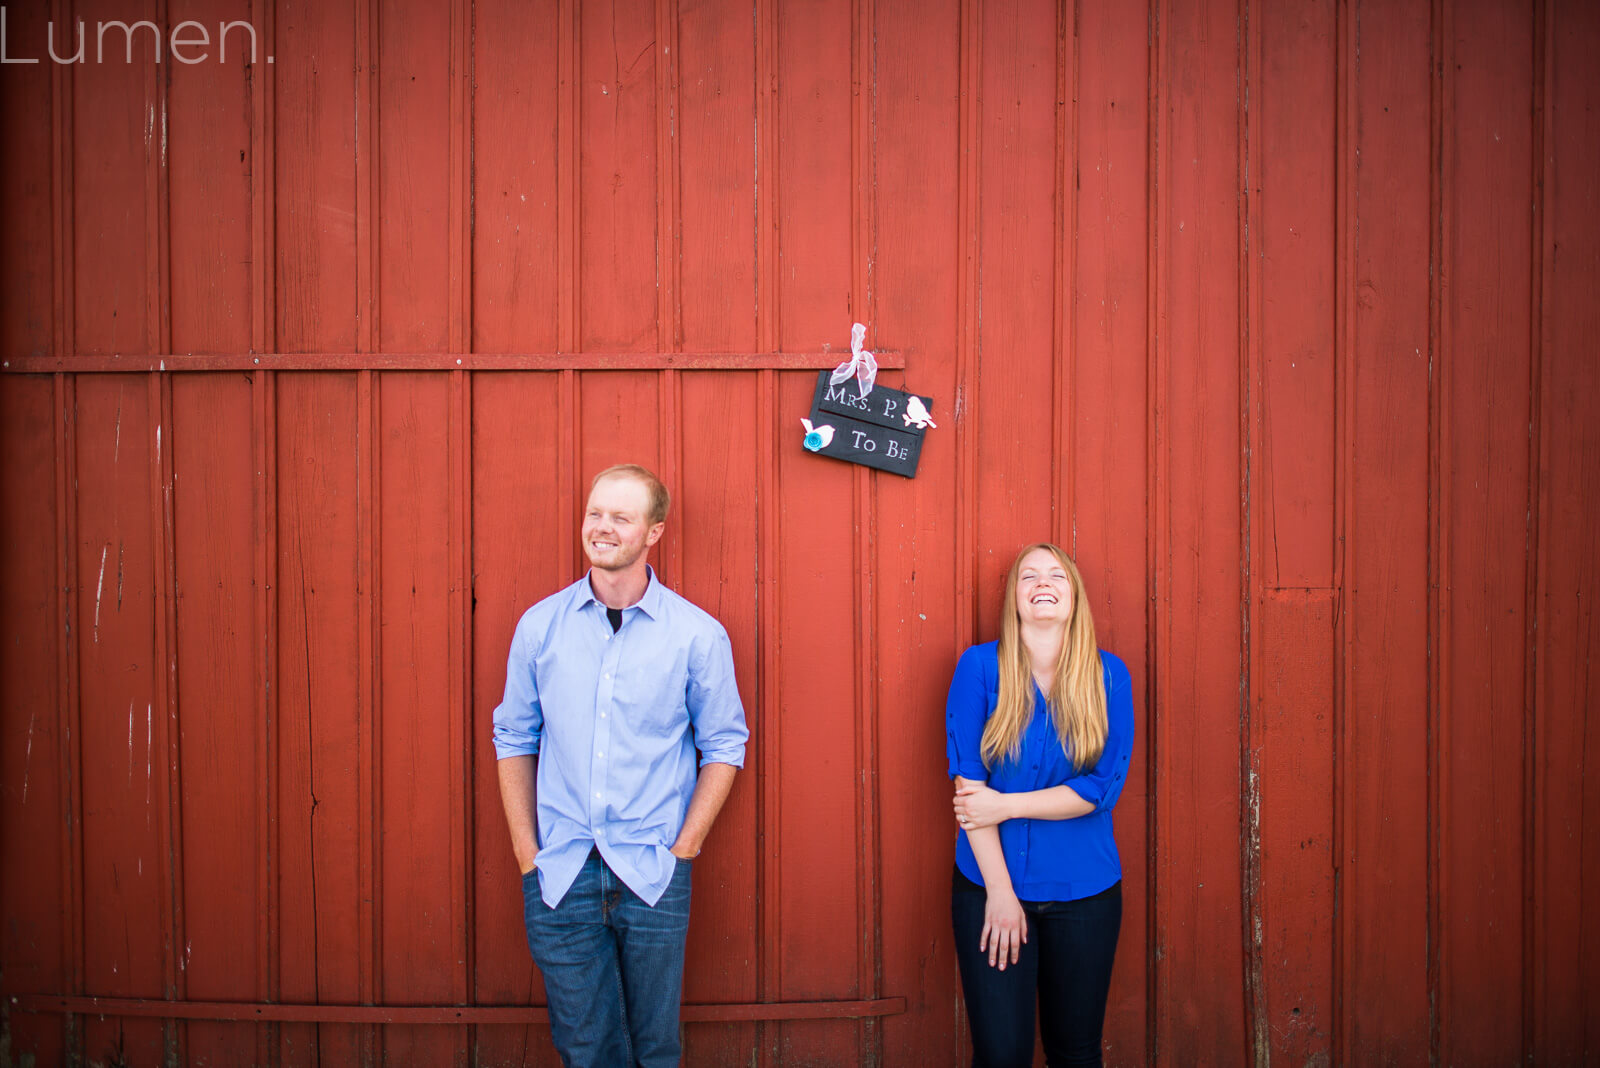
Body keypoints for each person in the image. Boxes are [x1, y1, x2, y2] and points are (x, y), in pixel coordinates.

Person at [493, 463, 748, 1068]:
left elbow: (724, 745)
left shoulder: (697, 636)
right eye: (595, 513)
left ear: (653, 533)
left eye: (621, 517)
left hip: (654, 870)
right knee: (586, 1048)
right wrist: (528, 854)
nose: (601, 528)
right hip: (560, 870)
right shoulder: (540, 627)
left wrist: (684, 847)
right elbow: (512, 736)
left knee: (657, 1049)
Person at [946, 543, 1135, 1068]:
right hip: (989, 888)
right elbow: (969, 795)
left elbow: (1101, 790)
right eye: (1028, 576)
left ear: (1074, 596)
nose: (1042, 582)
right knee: (1001, 1054)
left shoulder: (1109, 676)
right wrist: (1001, 895)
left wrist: (1005, 806)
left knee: (1074, 1052)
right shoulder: (980, 668)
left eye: (1056, 575)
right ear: (1015, 598)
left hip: (1085, 895)